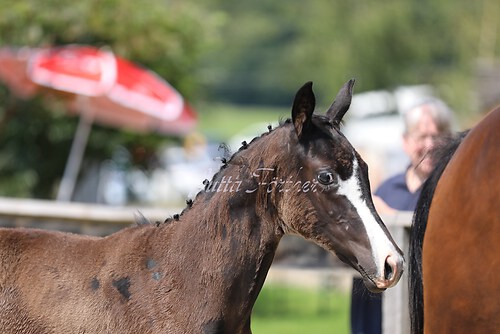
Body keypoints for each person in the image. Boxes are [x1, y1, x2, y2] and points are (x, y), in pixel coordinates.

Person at [350, 98, 454, 334]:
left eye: (437, 137)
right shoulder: (386, 188)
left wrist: (388, 215)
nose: (429, 145)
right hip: (376, 315)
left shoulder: (451, 190)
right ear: (405, 142)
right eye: (421, 137)